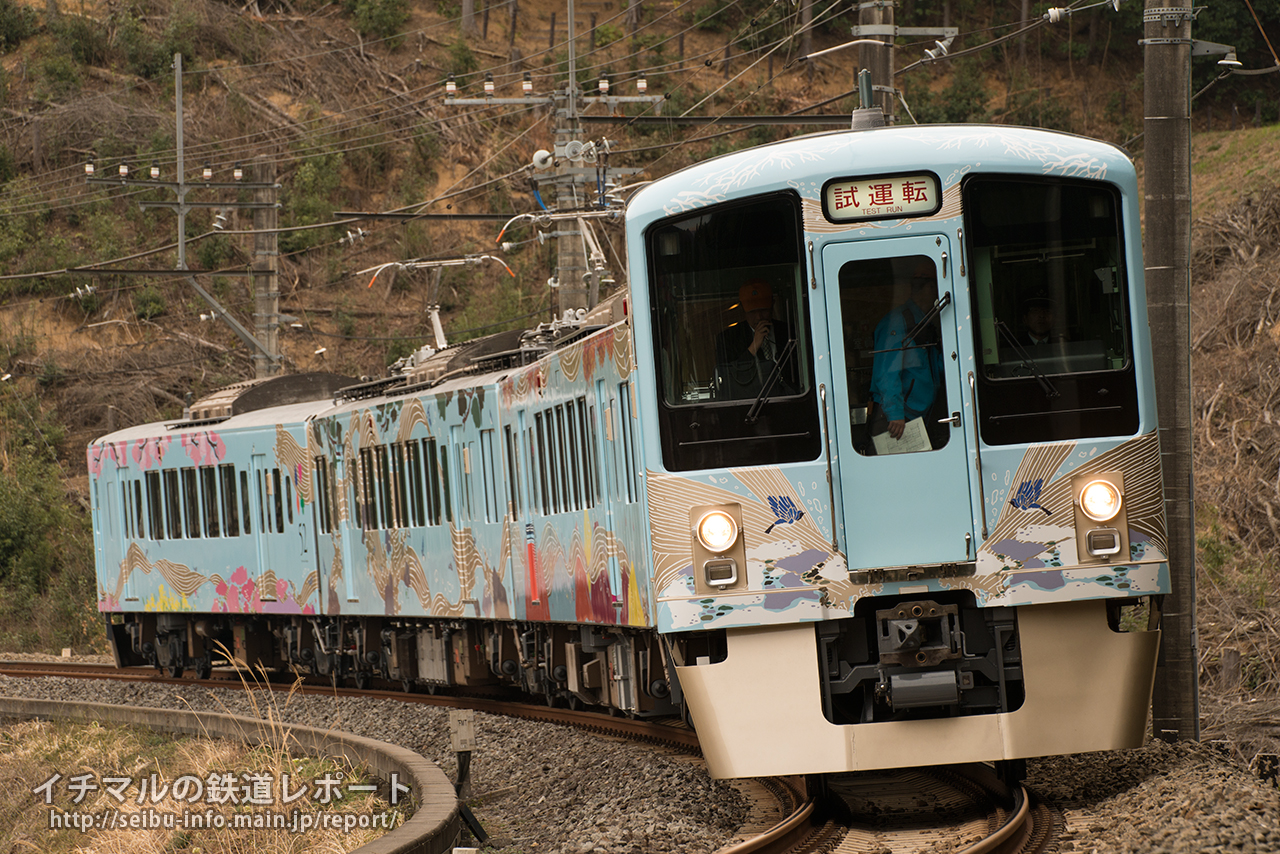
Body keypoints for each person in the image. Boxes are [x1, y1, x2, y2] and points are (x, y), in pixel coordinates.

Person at [869, 261, 945, 448]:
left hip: (919, 412)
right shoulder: (899, 321)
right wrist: (895, 414)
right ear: (930, 287)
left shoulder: (925, 322)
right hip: (899, 419)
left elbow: (936, 365)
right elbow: (887, 372)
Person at [714, 279, 794, 397]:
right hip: (750, 403)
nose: (759, 317)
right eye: (752, 312)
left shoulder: (789, 332)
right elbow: (728, 380)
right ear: (742, 309)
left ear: (772, 304)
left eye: (763, 310)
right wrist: (753, 347)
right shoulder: (728, 338)